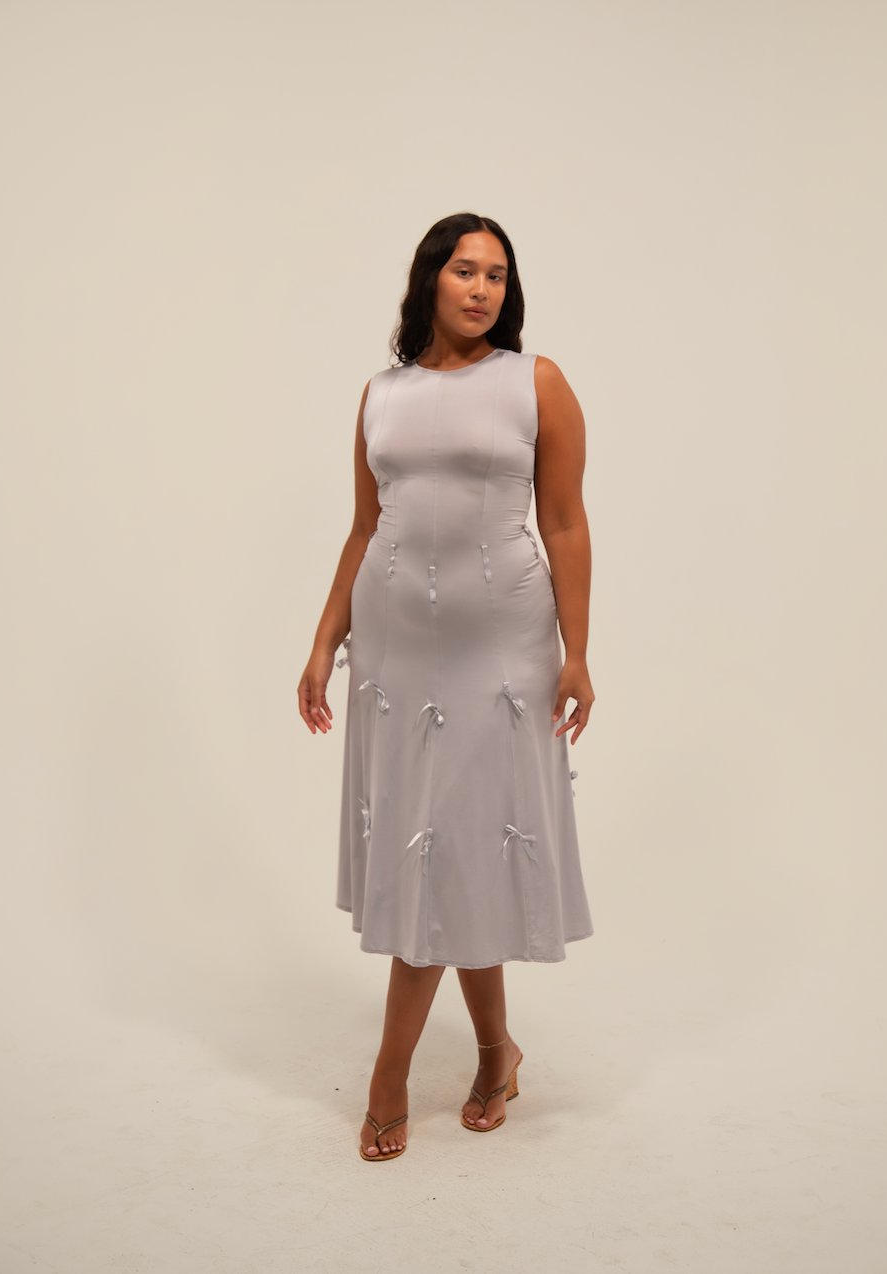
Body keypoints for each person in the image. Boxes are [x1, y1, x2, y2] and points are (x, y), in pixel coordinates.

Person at [297, 212, 594, 1161]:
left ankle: (388, 1078)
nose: (482, 288)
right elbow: (364, 527)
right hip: (394, 658)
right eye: (465, 270)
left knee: (446, 848)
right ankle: (498, 1053)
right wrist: (323, 641)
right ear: (430, 279)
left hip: (501, 657)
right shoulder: (381, 394)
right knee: (445, 850)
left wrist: (579, 652)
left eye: (497, 275)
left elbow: (565, 522)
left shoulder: (536, 382)